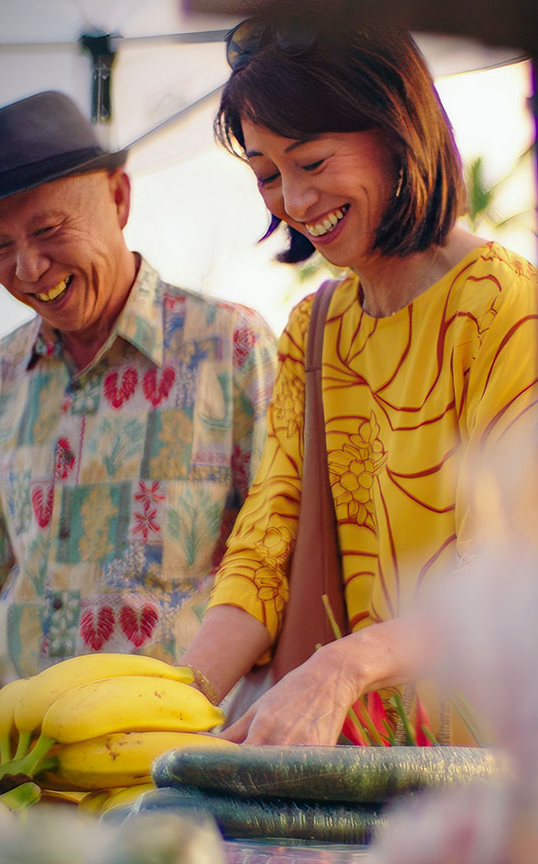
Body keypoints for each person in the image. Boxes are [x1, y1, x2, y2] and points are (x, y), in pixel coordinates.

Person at [181, 3, 538, 746]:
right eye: (267, 175)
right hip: (350, 763)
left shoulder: (504, 307)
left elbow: (508, 565)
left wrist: (343, 667)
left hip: (486, 769)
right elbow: (266, 545)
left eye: (312, 163)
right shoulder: (316, 330)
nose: (296, 202)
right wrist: (174, 704)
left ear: (396, 132)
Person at [0, 90, 278, 697]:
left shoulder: (232, 348)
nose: (30, 268)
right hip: (26, 765)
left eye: (48, 229)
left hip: (182, 761)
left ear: (118, 198)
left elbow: (283, 561)